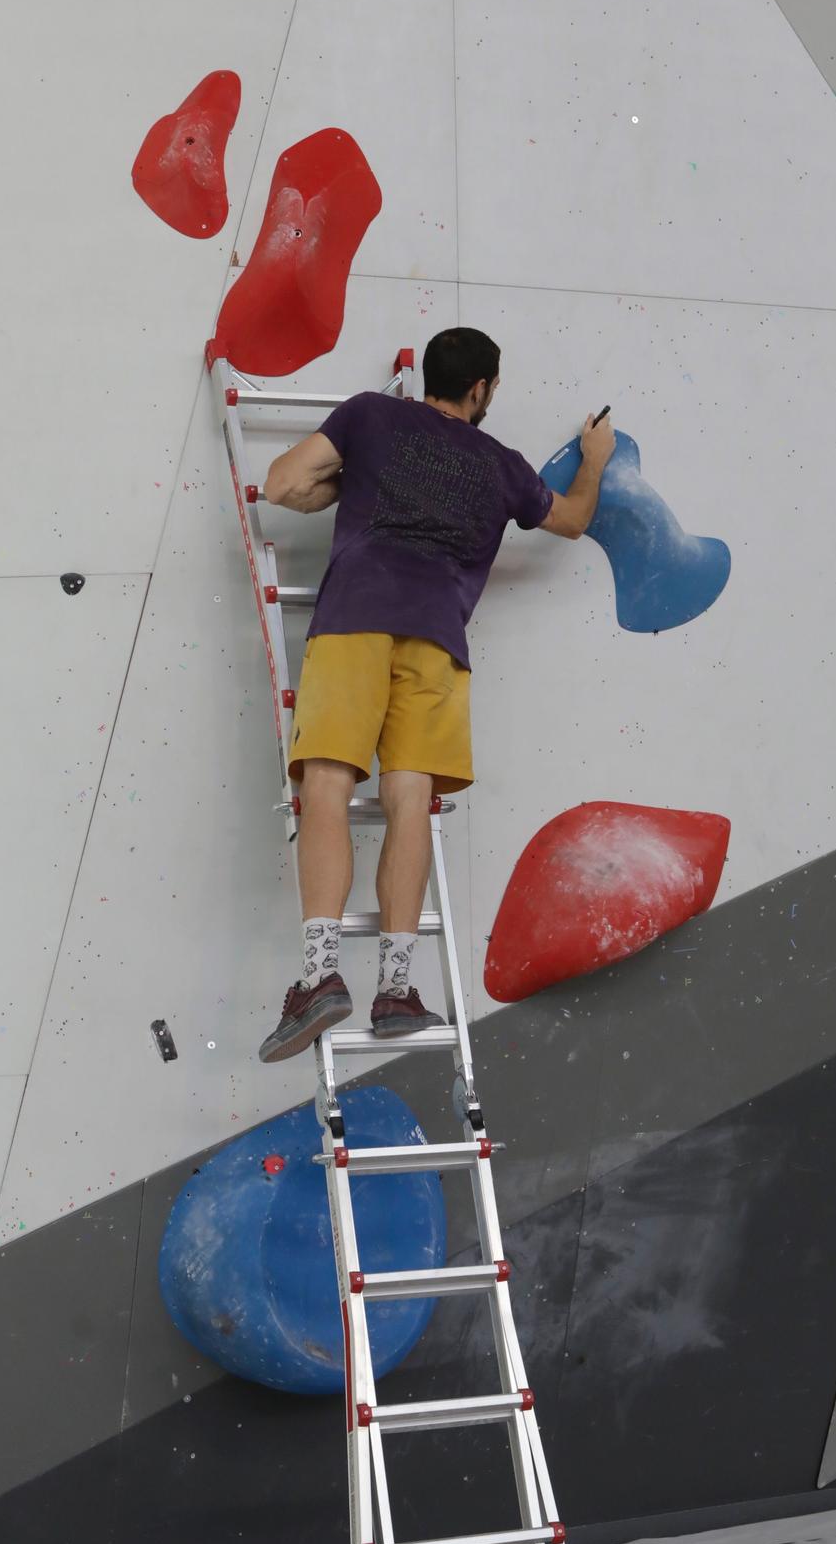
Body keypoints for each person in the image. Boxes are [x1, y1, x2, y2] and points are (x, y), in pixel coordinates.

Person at [257, 326, 616, 1062]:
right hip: (437, 636)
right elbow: (573, 520)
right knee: (409, 797)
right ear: (481, 389)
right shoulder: (501, 464)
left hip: (355, 617)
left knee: (327, 783)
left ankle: (321, 976)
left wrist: (347, 486)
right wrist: (595, 459)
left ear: (428, 375)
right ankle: (395, 987)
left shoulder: (368, 416)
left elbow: (282, 482)